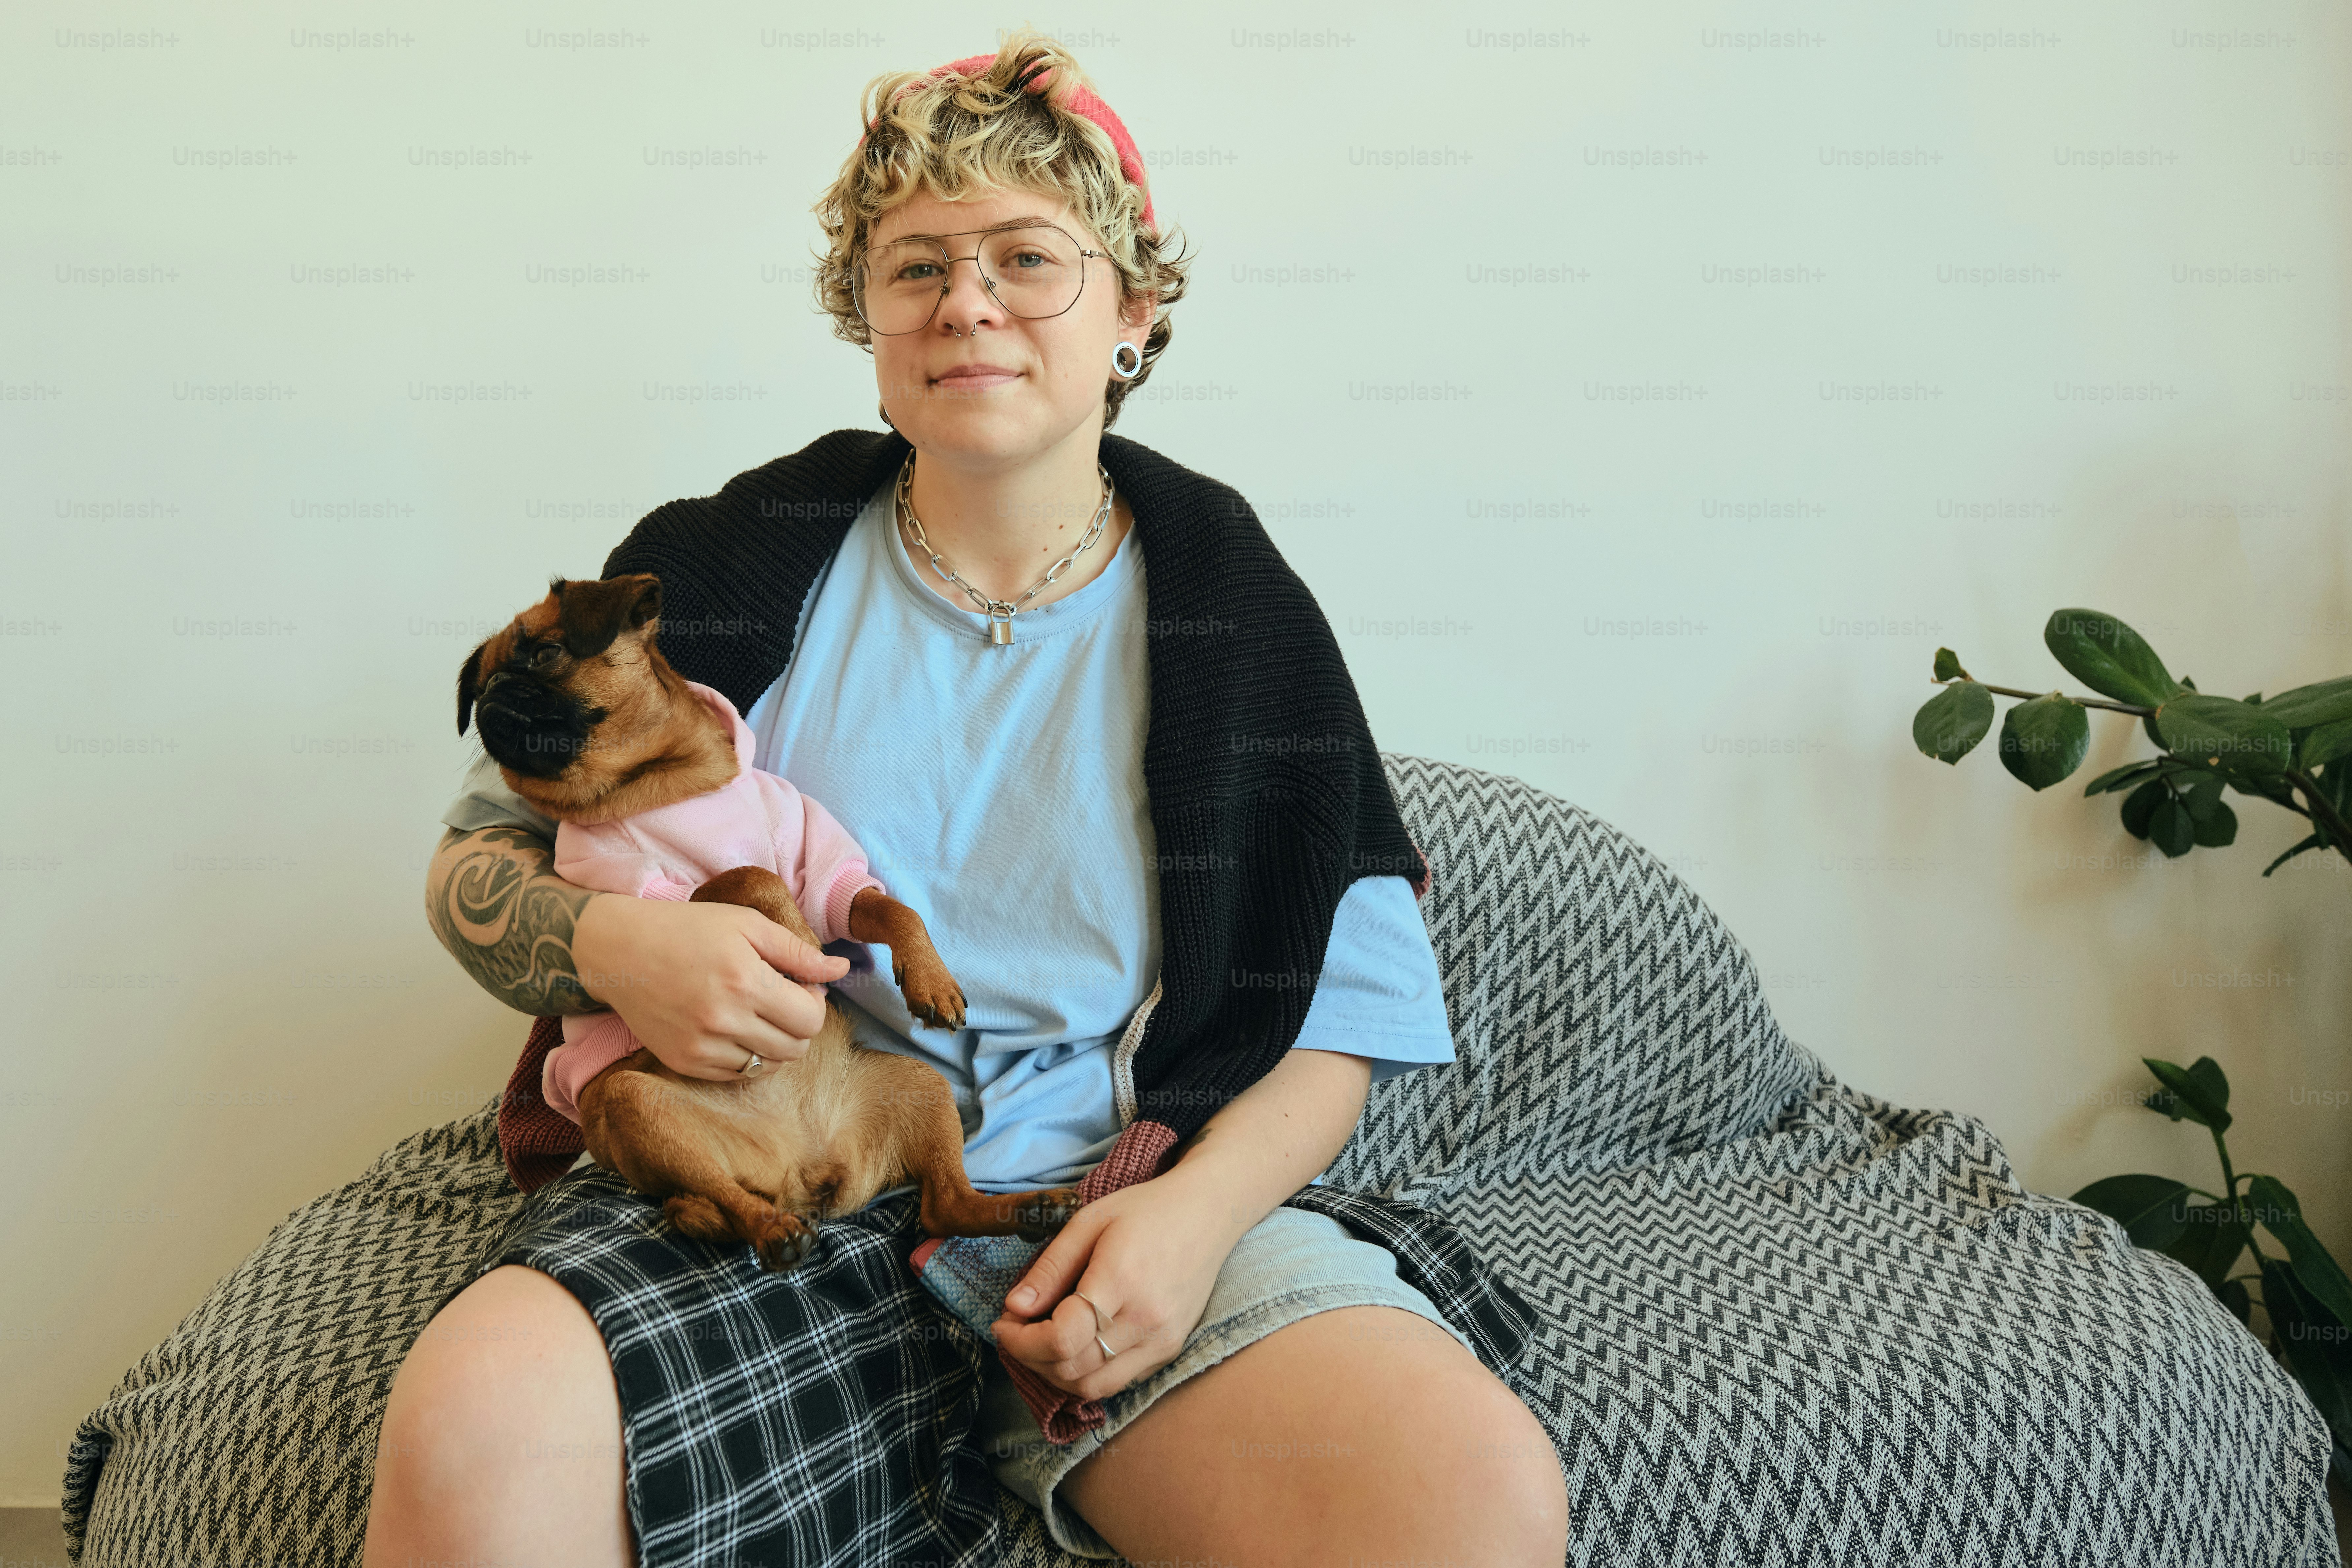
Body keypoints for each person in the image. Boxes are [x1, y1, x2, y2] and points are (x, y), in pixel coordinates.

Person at [365, 32, 1568, 1568]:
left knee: (1463, 1492)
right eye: (915, 265)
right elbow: (475, 867)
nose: (967, 301)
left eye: (1025, 257)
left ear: (1133, 306)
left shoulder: (1233, 604)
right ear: (863, 313)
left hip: (1108, 1192)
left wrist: (1188, 1229)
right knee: (474, 1431)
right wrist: (609, 953)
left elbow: (1352, 1014)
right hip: (763, 1162)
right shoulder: (737, 558)